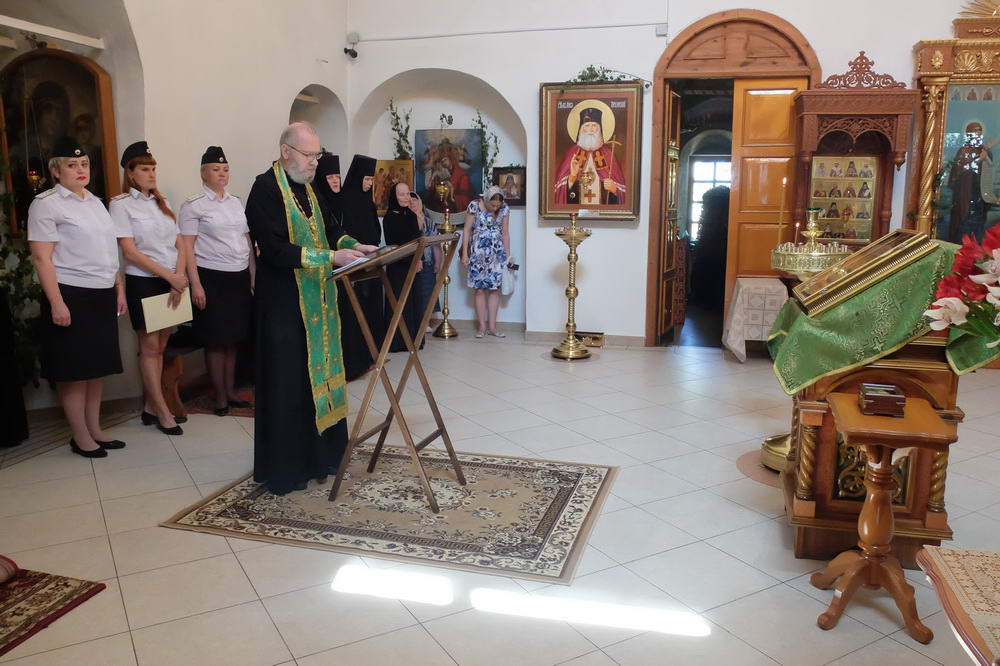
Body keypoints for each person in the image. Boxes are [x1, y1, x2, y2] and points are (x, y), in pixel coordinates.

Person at [246, 122, 377, 495]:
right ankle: (289, 467)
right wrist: (331, 257)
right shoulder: (265, 189)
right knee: (290, 383)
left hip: (318, 300)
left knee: (317, 378)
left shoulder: (307, 187)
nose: (315, 163)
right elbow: (275, 250)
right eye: (309, 155)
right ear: (286, 151)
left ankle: (323, 456)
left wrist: (354, 245)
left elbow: (330, 230)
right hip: (283, 304)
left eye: (317, 156)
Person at [27, 136, 127, 458]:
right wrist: (57, 302)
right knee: (74, 371)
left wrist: (118, 287)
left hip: (101, 292)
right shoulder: (46, 204)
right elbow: (42, 258)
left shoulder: (96, 202)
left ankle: (95, 429)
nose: (81, 169)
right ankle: (80, 436)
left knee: (95, 368)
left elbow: (107, 250)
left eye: (84, 163)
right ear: (56, 171)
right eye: (72, 165)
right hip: (70, 293)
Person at [110, 141, 187, 436]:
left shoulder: (161, 203)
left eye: (153, 168)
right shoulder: (120, 205)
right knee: (150, 348)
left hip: (171, 280)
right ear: (130, 173)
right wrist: (170, 277)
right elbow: (130, 252)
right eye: (144, 169)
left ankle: (149, 408)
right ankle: (162, 410)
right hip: (144, 281)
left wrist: (178, 277)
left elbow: (180, 244)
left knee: (162, 346)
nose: (151, 174)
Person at [179, 146, 255, 416]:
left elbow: (246, 241)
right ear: (203, 173)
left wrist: (253, 275)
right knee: (215, 339)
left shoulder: (235, 202)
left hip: (238, 276)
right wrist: (196, 284)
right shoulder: (194, 205)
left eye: (225, 169)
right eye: (216, 169)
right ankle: (220, 395)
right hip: (211, 277)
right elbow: (187, 248)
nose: (222, 174)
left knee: (233, 338)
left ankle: (231, 390)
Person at [339, 154, 384, 380]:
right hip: (354, 265)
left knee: (371, 308)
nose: (369, 183)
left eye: (371, 179)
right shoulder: (346, 201)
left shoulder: (368, 202)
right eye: (366, 179)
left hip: (371, 263)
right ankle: (357, 359)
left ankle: (371, 354)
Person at [382, 181, 431, 352]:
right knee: (400, 304)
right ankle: (398, 343)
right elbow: (396, 244)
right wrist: (413, 260)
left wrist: (420, 259)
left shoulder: (410, 214)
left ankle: (415, 341)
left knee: (415, 303)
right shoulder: (389, 217)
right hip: (398, 267)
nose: (406, 197)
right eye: (401, 194)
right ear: (394, 197)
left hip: (414, 264)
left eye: (407, 193)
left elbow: (418, 239)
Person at [461, 185, 510, 338]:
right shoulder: (474, 206)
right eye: (492, 205)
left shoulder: (505, 208)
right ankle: (482, 326)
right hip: (478, 254)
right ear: (486, 199)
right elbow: (467, 230)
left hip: (497, 254)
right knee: (479, 289)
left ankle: (493, 327)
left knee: (495, 290)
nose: (495, 208)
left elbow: (505, 233)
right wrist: (464, 253)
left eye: (497, 206)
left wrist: (508, 257)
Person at [553, 106, 626, 205]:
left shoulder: (608, 154)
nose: (591, 129)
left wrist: (614, 189)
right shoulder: (572, 153)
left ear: (600, 129)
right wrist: (572, 176)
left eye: (594, 125)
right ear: (581, 129)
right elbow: (558, 191)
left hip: (602, 210)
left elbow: (624, 192)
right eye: (587, 125)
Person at [946, 121, 997, 243]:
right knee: (965, 219)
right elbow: (960, 171)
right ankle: (961, 243)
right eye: (975, 131)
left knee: (979, 220)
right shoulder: (963, 151)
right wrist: (979, 159)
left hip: (980, 191)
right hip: (965, 192)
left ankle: (977, 244)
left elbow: (990, 169)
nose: (977, 133)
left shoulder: (985, 150)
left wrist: (986, 155)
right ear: (968, 134)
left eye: (979, 131)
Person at [688, 186, 730, 308]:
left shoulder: (716, 220)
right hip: (713, 249)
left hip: (715, 250)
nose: (704, 209)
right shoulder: (719, 219)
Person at [411, 191, 442, 333]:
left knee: (427, 293)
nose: (412, 203)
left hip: (427, 261)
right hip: (411, 262)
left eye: (415, 200)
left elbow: (436, 244)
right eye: (410, 201)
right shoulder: (405, 220)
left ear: (420, 203)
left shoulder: (429, 222)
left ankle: (425, 322)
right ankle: (415, 322)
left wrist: (438, 262)